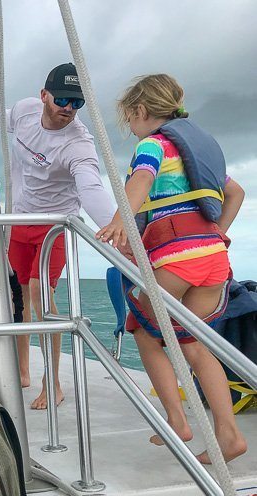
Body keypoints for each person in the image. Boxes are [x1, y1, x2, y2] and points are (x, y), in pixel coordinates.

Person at [96, 73, 247, 463]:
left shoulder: (154, 145)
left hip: (177, 257)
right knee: (194, 343)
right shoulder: (198, 150)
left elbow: (141, 181)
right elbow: (235, 192)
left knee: (143, 332)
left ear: (142, 111)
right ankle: (229, 436)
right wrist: (216, 235)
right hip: (214, 257)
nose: (131, 128)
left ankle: (176, 421)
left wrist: (117, 220)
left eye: (129, 119)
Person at [0, 63, 115, 409]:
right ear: (44, 96)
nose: (69, 108)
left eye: (77, 103)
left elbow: (90, 187)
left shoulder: (79, 144)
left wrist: (117, 230)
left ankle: (52, 382)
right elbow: (0, 117)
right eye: (63, 99)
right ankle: (23, 371)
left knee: (42, 294)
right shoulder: (26, 111)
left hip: (56, 224)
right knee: (19, 299)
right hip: (20, 220)